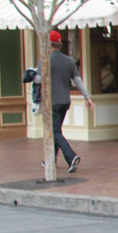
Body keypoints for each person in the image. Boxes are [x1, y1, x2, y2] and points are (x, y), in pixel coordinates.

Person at [41, 30, 94, 173]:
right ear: (59, 44)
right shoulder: (69, 61)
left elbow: (38, 79)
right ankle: (50, 160)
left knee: (54, 131)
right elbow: (78, 80)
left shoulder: (45, 60)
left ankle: (71, 157)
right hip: (65, 101)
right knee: (56, 130)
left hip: (52, 102)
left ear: (49, 44)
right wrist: (87, 97)